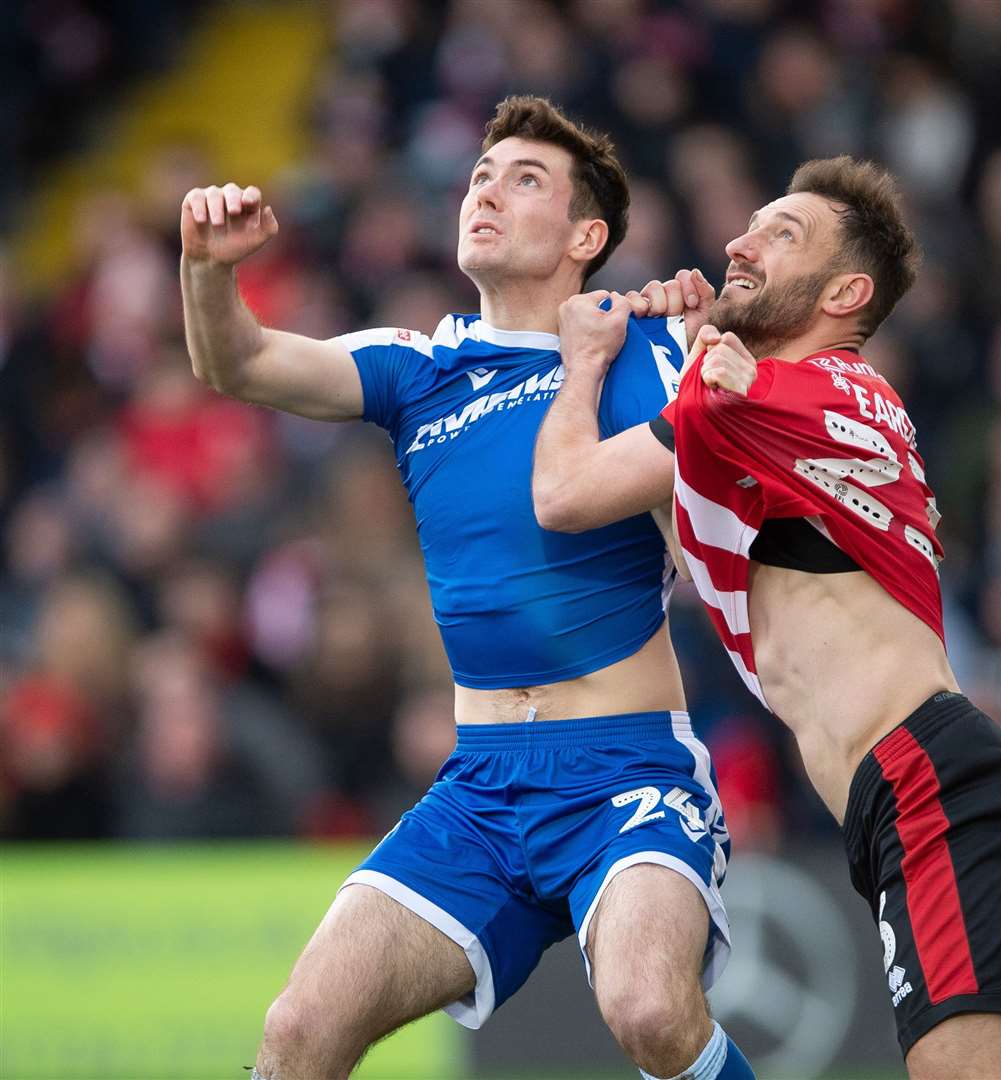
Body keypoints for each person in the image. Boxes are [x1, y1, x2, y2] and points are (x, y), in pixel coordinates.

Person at [181, 95, 754, 1080]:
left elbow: (710, 569)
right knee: (295, 1036)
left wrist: (705, 377)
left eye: (523, 179)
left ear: (587, 235)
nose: (485, 190)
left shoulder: (652, 354)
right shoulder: (419, 367)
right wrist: (206, 266)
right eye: (481, 176)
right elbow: (236, 361)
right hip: (479, 791)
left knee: (649, 1007)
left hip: (627, 775)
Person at [532, 156, 1001, 1080]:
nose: (739, 240)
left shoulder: (810, 389)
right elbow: (695, 532)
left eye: (781, 234)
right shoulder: (780, 417)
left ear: (846, 292)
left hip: (927, 784)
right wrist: (699, 368)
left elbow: (564, 494)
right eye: (750, 223)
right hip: (923, 786)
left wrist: (586, 364)